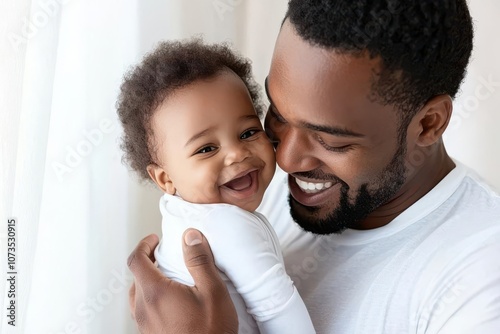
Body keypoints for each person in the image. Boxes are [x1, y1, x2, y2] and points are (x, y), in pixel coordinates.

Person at [127, 0, 500, 333]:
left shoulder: (480, 281)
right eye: (276, 114)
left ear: (428, 124)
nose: (285, 160)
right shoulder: (247, 184)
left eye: (331, 140)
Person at [117, 40, 315, 333]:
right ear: (165, 179)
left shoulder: (178, 211)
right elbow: (282, 314)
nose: (236, 153)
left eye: (248, 132)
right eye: (206, 149)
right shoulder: (229, 226)